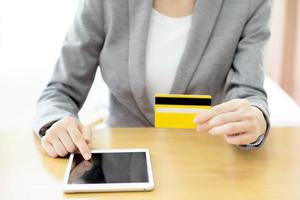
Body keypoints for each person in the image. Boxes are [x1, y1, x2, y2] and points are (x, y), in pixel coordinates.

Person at [33, 0, 271, 160]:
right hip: (122, 159)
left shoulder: (249, 4)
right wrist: (56, 122)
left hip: (204, 159)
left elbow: (249, 94)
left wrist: (256, 117)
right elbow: (60, 90)